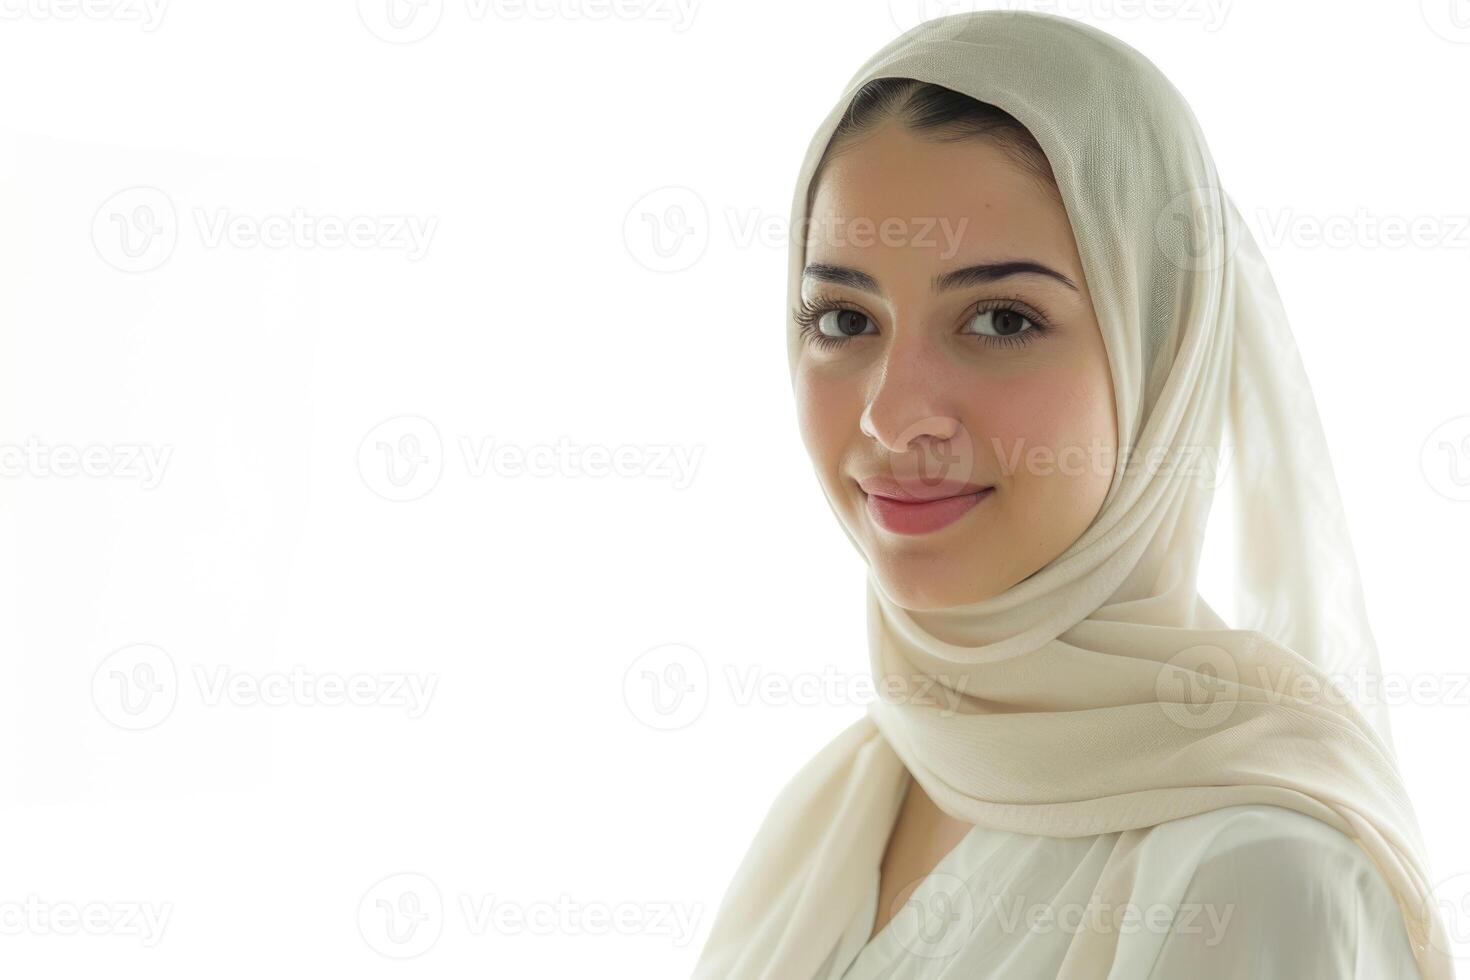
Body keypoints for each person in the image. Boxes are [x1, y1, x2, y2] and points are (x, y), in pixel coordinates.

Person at [691, 11, 1455, 980]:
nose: (892, 416)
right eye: (845, 316)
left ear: (1160, 351)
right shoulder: (851, 789)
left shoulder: (1258, 867)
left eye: (1001, 318)